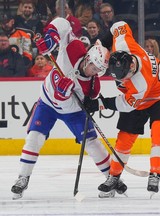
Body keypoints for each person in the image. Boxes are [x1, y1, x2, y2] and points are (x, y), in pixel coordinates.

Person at [10, 17, 127, 200]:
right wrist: (51, 36)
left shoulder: (93, 87)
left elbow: (72, 104)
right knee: (34, 137)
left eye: (98, 71)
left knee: (92, 142)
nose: (94, 72)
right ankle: (22, 178)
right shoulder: (75, 49)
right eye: (93, 67)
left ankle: (111, 178)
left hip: (72, 111)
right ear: (88, 58)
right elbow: (63, 24)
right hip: (47, 103)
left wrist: (64, 95)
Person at [84, 21, 160, 196]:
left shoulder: (140, 82)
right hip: (139, 97)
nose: (123, 80)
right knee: (125, 136)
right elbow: (119, 25)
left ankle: (155, 173)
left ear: (133, 67)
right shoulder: (123, 44)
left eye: (126, 76)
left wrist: (99, 104)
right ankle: (114, 176)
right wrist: (102, 44)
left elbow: (125, 105)